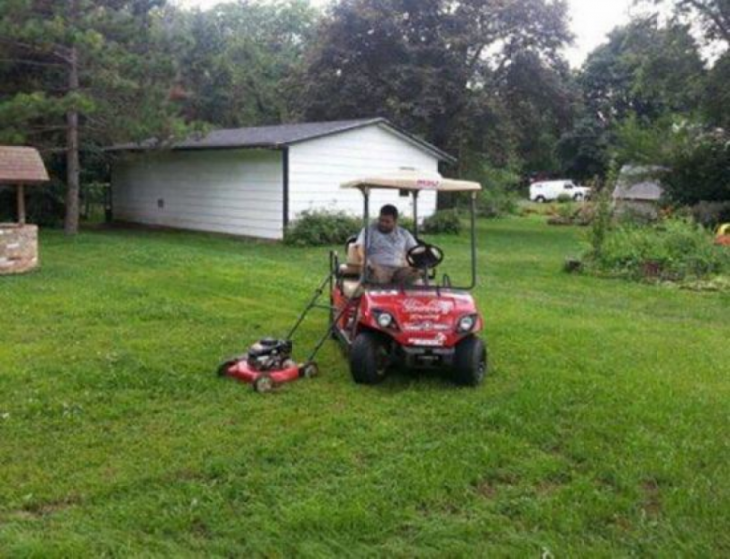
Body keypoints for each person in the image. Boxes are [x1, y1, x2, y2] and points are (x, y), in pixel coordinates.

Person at [355, 204, 421, 285]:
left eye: (387, 222)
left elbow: (415, 250)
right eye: (381, 220)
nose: (383, 224)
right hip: (377, 267)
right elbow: (360, 247)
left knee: (415, 279)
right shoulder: (369, 231)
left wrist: (418, 261)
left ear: (395, 221)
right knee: (374, 277)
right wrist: (364, 260)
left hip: (399, 268)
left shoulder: (403, 233)